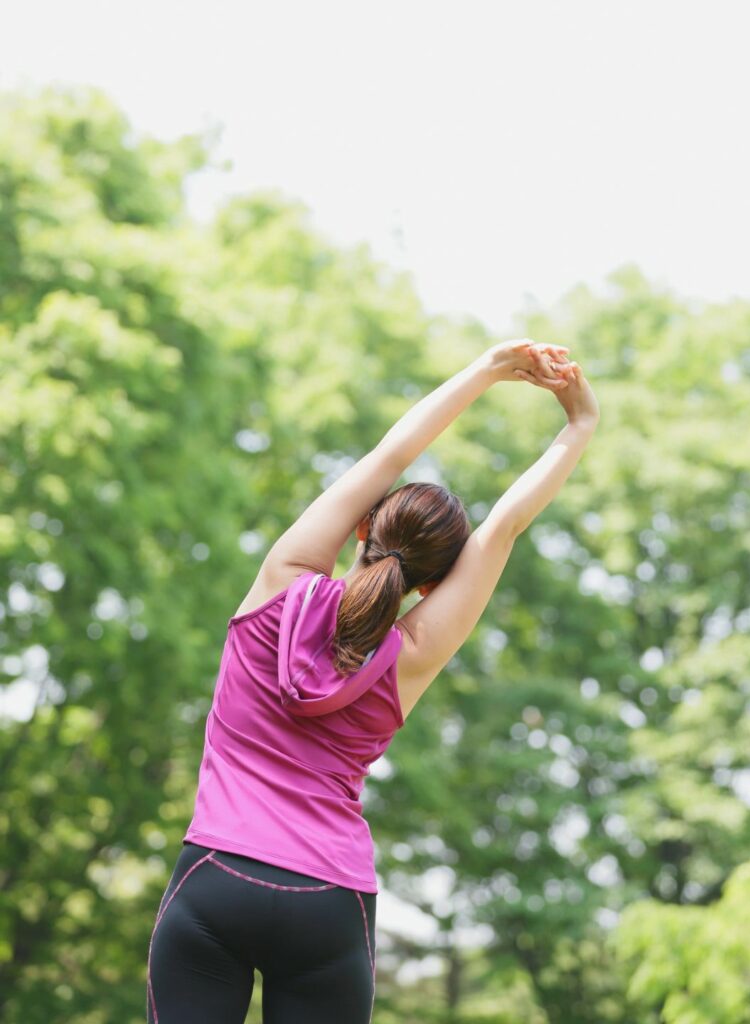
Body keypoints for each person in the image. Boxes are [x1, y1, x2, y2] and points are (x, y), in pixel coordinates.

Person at [146, 338, 599, 1023]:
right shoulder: (409, 654)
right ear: (436, 585)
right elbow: (501, 530)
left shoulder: (281, 582)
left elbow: (389, 456)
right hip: (328, 902)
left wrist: (486, 370)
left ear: (363, 527)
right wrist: (578, 426)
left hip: (218, 876)